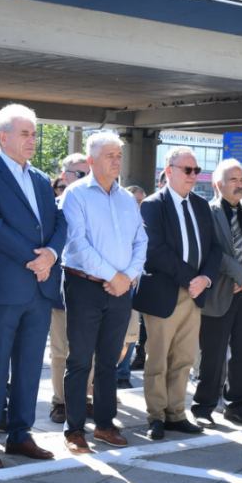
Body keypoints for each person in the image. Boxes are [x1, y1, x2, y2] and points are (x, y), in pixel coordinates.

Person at [0, 104, 67, 469]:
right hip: (3, 287)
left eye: (34, 134)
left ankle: (20, 435)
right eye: (25, 134)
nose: (32, 140)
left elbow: (59, 221)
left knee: (28, 368)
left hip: (39, 288)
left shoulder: (40, 178)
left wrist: (51, 254)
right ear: (3, 137)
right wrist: (33, 259)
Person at [60, 130, 146, 453]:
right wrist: (114, 276)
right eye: (110, 155)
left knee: (110, 361)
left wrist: (129, 276)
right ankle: (74, 430)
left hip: (121, 289)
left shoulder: (126, 199)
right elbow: (77, 244)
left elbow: (141, 241)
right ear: (91, 160)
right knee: (80, 360)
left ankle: (105, 424)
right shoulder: (75, 195)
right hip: (84, 286)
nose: (116, 161)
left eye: (119, 155)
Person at [134, 147, 220, 439]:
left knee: (184, 358)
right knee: (158, 359)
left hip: (194, 294)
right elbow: (155, 250)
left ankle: (176, 413)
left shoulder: (201, 205)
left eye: (197, 171)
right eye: (188, 170)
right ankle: (156, 416)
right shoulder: (153, 205)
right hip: (165, 293)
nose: (193, 176)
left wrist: (205, 278)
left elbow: (215, 248)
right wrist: (191, 278)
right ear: (169, 171)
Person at [195, 158, 242, 427]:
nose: (239, 184)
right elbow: (214, 251)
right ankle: (203, 407)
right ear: (218, 184)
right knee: (213, 355)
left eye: (241, 179)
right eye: (233, 179)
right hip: (220, 294)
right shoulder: (208, 212)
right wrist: (241, 275)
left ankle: (236, 405)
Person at [47, 152, 90, 423]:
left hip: (91, 288)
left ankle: (84, 398)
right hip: (60, 289)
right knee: (61, 350)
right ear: (65, 176)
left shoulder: (96, 205)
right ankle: (61, 402)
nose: (87, 179)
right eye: (81, 174)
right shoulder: (53, 207)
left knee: (88, 351)